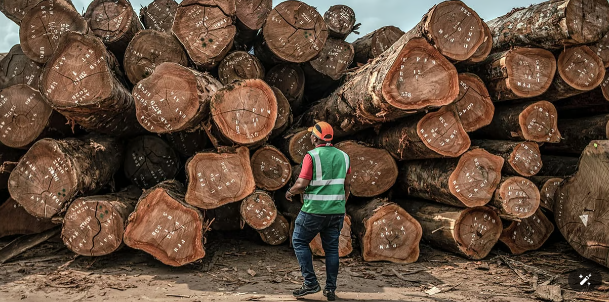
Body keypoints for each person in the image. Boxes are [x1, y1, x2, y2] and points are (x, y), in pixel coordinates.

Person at [285, 121, 351, 301]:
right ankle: (330, 289)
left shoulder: (311, 156)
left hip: (313, 211)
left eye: (311, 134)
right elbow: (347, 185)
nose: (310, 137)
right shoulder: (344, 156)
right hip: (336, 212)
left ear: (315, 137)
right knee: (331, 250)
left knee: (298, 240)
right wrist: (341, 205)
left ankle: (310, 282)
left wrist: (290, 191)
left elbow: (301, 184)